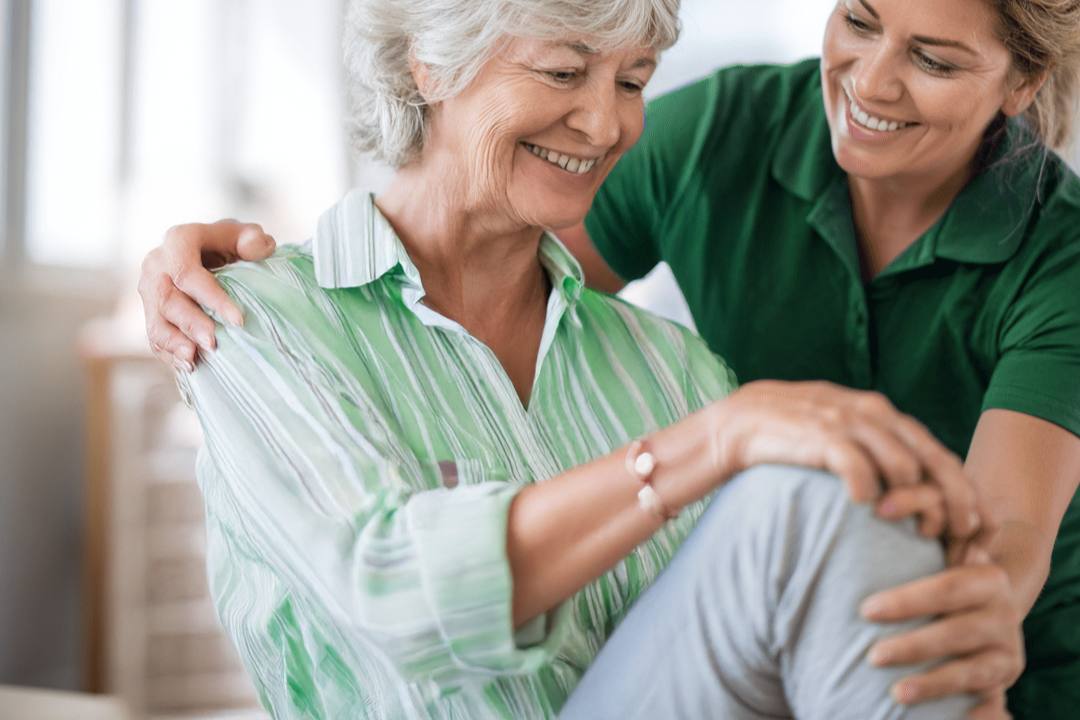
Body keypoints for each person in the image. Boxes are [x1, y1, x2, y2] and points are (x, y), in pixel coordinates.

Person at [141, 0, 1078, 716]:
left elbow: (991, 543)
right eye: (563, 71)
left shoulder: (671, 369)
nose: (605, 126)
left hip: (1020, 660)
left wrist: (959, 611)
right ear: (430, 61)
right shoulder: (255, 320)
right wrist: (260, 291)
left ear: (1020, 83)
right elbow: (468, 251)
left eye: (633, 82)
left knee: (832, 507)